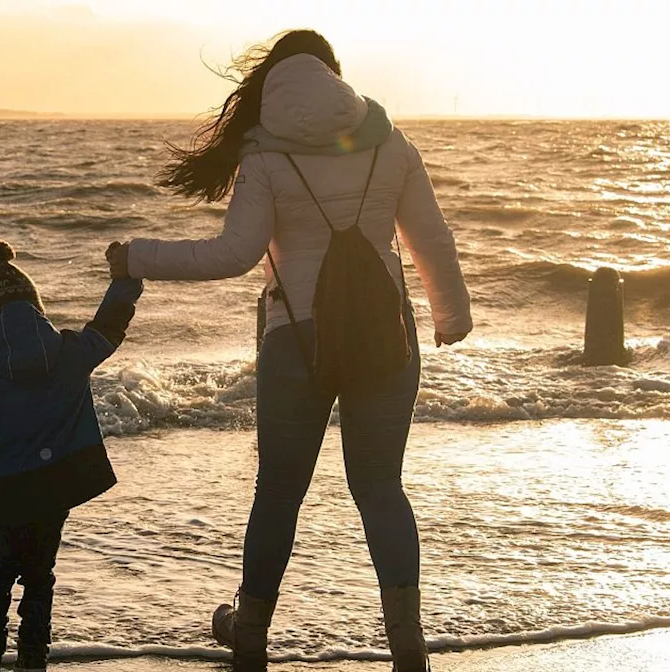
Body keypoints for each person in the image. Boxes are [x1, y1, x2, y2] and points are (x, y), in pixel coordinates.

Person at [106, 29, 471, 672]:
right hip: (387, 337)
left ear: (273, 83)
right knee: (382, 488)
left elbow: (234, 255)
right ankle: (408, 647)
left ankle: (250, 635)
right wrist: (451, 315)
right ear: (335, 77)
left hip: (294, 342)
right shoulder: (389, 139)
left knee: (278, 490)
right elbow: (431, 239)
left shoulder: (265, 154)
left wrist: (136, 256)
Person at [0, 240, 144, 672]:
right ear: (38, 309)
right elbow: (108, 326)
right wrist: (127, 278)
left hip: (6, 491)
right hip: (55, 486)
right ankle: (33, 660)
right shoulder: (70, 353)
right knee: (39, 576)